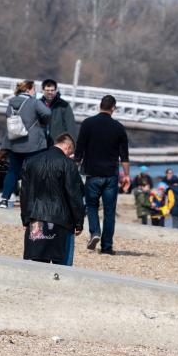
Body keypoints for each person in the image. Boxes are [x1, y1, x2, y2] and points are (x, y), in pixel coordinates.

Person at [74, 94, 130, 254]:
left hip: (92, 174)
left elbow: (79, 149)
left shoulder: (87, 124)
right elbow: (124, 156)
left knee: (91, 206)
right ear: (113, 108)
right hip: (111, 175)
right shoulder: (119, 128)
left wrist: (73, 168)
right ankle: (107, 247)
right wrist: (126, 176)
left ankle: (95, 232)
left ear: (100, 106)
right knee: (109, 211)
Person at [19, 132, 84, 266]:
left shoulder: (30, 161)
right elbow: (74, 195)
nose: (70, 155)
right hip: (61, 221)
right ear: (67, 147)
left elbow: (25, 193)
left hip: (36, 218)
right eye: (70, 152)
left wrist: (25, 219)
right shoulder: (69, 165)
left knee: (37, 263)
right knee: (61, 266)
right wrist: (79, 222)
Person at [0, 80, 51, 208]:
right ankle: (30, 201)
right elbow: (47, 113)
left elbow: (8, 116)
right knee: (33, 172)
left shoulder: (11, 102)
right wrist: (41, 121)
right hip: (32, 144)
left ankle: (4, 199)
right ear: (29, 89)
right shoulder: (34, 102)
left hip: (14, 142)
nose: (36, 92)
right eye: (34, 89)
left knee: (12, 172)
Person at [41, 79, 77, 145]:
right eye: (47, 90)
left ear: (56, 90)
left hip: (57, 144)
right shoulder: (38, 104)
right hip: (40, 144)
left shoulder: (64, 105)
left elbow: (71, 127)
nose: (50, 92)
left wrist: (73, 146)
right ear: (42, 90)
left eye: (52, 90)